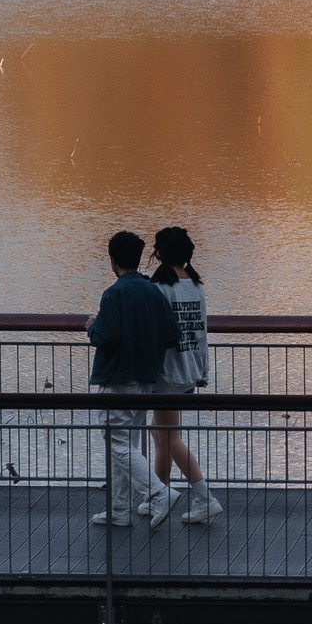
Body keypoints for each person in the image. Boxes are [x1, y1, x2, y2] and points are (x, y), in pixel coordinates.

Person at [88, 229, 181, 527]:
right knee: (126, 442)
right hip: (146, 378)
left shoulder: (113, 293)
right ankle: (119, 509)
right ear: (139, 259)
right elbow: (172, 334)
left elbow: (105, 335)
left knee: (117, 442)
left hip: (119, 376)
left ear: (112, 260)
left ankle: (158, 493)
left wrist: (91, 326)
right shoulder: (154, 291)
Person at [147, 226, 224, 524]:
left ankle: (205, 498)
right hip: (188, 370)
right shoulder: (195, 285)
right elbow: (202, 332)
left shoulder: (160, 288)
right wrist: (202, 370)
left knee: (169, 437)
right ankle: (159, 496)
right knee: (160, 434)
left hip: (167, 373)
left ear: (160, 253)